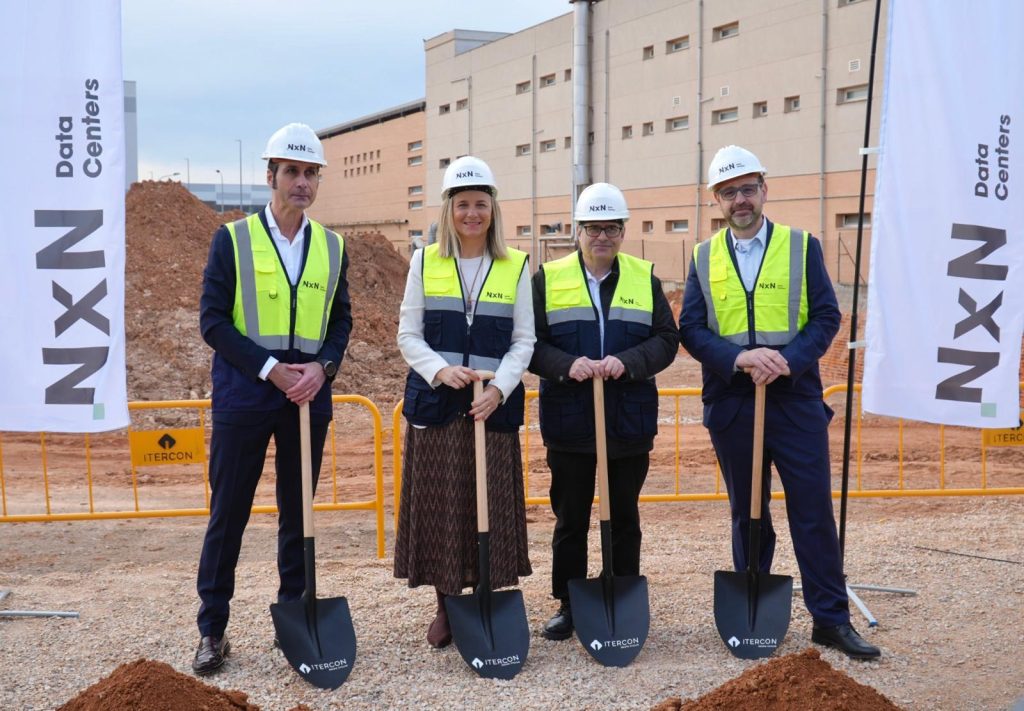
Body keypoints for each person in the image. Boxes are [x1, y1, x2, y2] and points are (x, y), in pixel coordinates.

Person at [678, 145, 880, 660]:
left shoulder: (801, 246)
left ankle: (830, 619)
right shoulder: (703, 256)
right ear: (716, 200)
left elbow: (827, 317)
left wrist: (786, 361)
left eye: (748, 189)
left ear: (764, 190)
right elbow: (692, 329)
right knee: (748, 513)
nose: (740, 200)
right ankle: (753, 611)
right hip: (733, 404)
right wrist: (740, 359)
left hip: (794, 402)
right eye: (729, 192)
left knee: (813, 513)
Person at [192, 123, 352, 675]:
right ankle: (212, 629)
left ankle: (296, 618)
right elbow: (213, 322)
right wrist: (271, 370)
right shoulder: (232, 240)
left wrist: (322, 368)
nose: (302, 182)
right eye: (292, 171)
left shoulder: (332, 246)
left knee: (298, 515)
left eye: (311, 173)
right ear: (271, 176)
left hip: (308, 399)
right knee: (228, 514)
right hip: (245, 397)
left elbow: (341, 321)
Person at [394, 156, 535, 649]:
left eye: (480, 204)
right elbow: (408, 335)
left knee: (488, 506)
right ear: (448, 210)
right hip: (438, 407)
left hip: (490, 409)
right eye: (462, 205)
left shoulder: (516, 265)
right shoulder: (424, 261)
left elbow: (524, 340)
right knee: (441, 509)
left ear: (493, 210)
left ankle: (484, 600)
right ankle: (447, 604)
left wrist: (499, 388)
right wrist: (440, 370)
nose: (472, 214)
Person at [529, 183, 678, 640]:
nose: (602, 237)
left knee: (624, 517)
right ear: (578, 230)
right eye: (593, 228)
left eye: (611, 228)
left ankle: (621, 593)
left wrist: (628, 362)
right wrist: (566, 365)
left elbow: (666, 340)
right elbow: (529, 343)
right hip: (570, 420)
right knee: (570, 518)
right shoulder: (548, 279)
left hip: (627, 420)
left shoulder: (643, 278)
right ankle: (569, 602)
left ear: (622, 231)